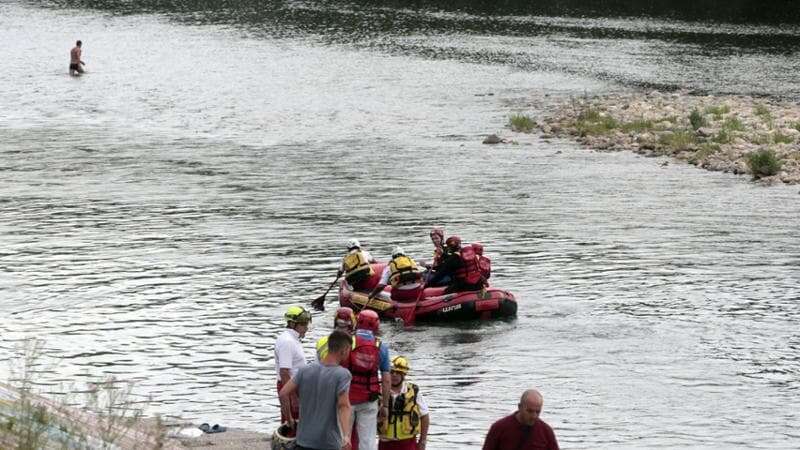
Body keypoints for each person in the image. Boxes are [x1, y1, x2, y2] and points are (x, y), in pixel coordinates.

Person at [280, 330, 353, 450]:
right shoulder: (342, 374)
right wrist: (346, 436)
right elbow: (343, 406)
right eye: (349, 350)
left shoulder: (304, 370)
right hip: (328, 442)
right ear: (344, 350)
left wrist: (289, 419)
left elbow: (283, 393)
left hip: (303, 440)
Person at [343, 310, 391, 450]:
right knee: (368, 441)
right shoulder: (380, 346)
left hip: (346, 399)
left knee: (343, 438)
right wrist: (386, 406)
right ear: (376, 326)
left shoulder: (347, 342)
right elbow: (386, 379)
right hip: (369, 400)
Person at [378, 356, 429, 450]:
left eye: (398, 373)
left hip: (408, 442)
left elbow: (425, 416)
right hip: (385, 443)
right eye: (392, 372)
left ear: (404, 375)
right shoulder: (379, 391)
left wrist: (422, 441)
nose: (394, 375)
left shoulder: (414, 391)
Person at [482, 389, 559, 450]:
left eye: (537, 412)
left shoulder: (546, 432)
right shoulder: (499, 428)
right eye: (530, 411)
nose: (534, 416)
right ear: (520, 407)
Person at [275, 305, 311, 424]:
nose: (306, 328)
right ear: (292, 324)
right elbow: (284, 372)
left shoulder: (293, 339)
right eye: (303, 325)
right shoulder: (287, 342)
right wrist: (293, 397)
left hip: (296, 387)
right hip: (291, 388)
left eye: (306, 324)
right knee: (292, 424)